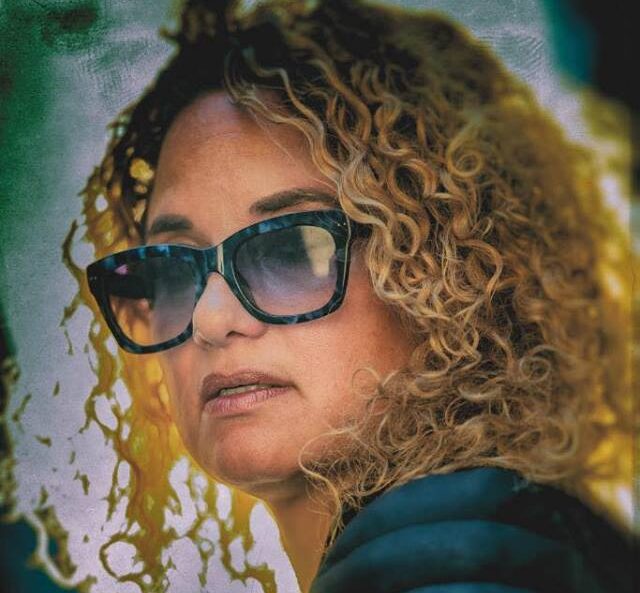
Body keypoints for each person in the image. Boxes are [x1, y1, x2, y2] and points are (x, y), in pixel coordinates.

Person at [82, 0, 634, 591]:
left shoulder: (464, 572)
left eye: (291, 249)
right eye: (172, 267)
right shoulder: (499, 546)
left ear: (443, 268)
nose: (211, 319)